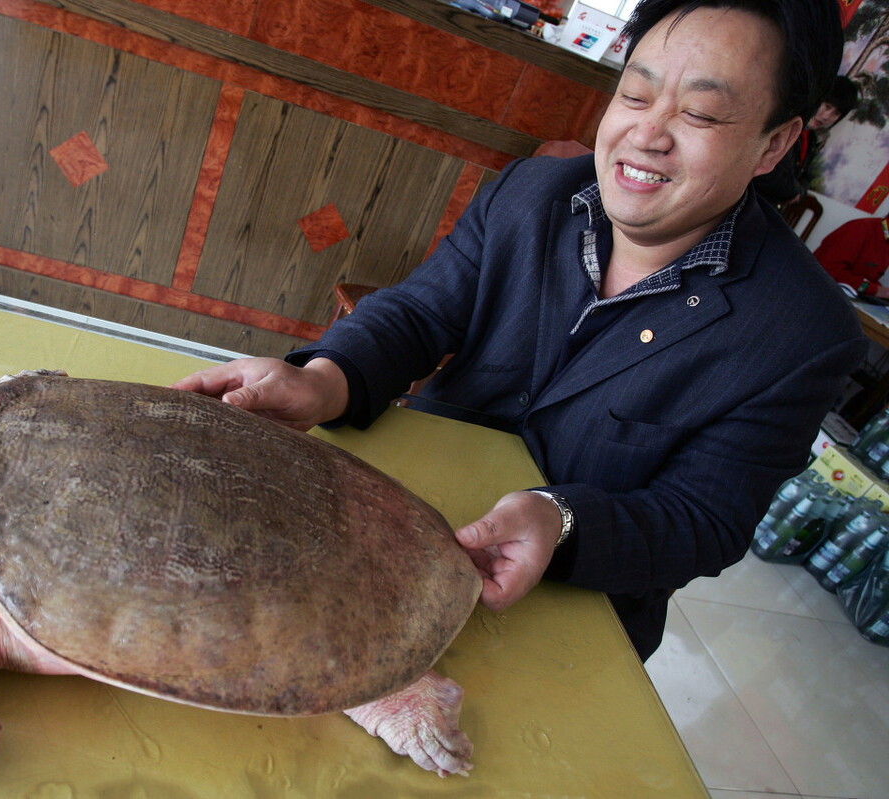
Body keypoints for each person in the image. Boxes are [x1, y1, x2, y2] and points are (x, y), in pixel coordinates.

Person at [173, 0, 865, 662]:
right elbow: (421, 311)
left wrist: (558, 519)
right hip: (400, 523)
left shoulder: (804, 332)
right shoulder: (532, 192)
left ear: (774, 143)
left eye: (701, 114)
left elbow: (704, 519)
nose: (647, 135)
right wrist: (324, 379)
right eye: (635, 94)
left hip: (569, 605)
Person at [753, 75, 859, 205]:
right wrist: (794, 192)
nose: (826, 116)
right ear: (817, 98)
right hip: (750, 200)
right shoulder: (785, 124)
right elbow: (767, 173)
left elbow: (806, 178)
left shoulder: (812, 139)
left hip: (768, 207)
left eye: (835, 114)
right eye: (827, 106)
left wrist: (799, 193)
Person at [814, 214, 889, 299]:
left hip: (839, 295)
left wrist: (881, 290)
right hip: (817, 290)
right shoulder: (859, 228)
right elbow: (827, 270)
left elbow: (866, 277)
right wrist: (877, 290)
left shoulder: (885, 237)